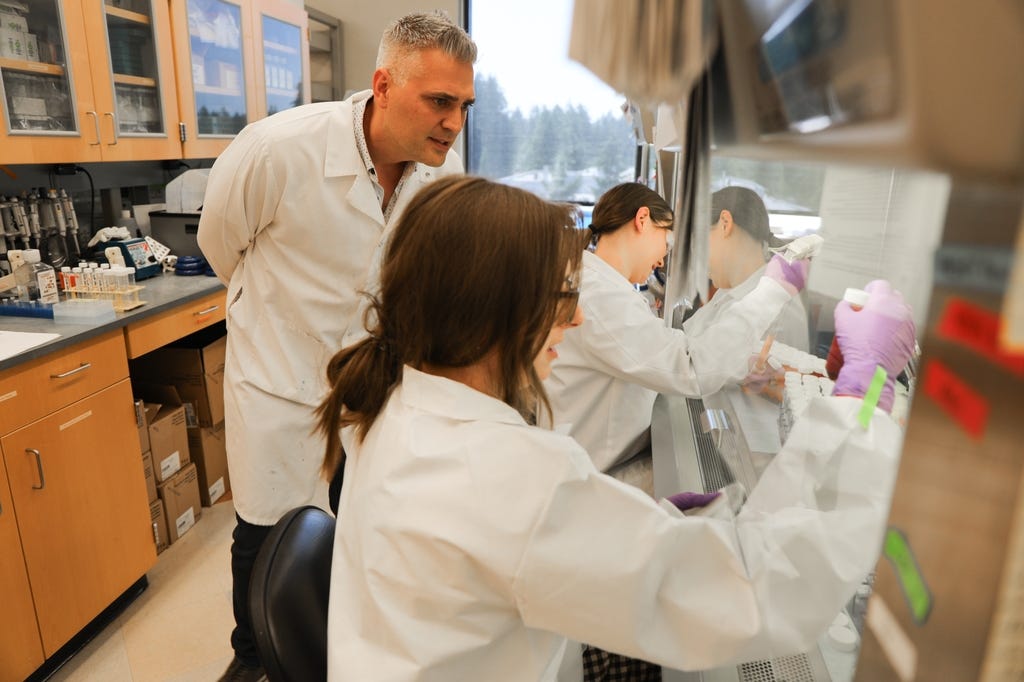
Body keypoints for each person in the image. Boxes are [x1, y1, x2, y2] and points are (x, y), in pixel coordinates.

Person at [316, 174, 916, 681]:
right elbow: (753, 591)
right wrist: (861, 404)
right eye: (559, 295)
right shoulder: (508, 479)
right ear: (491, 310)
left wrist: (638, 528)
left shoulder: (398, 405)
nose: (576, 318)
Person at [197, 12, 476, 681]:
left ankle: (334, 648)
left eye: (464, 105)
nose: (454, 122)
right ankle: (255, 662)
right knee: (267, 535)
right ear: (383, 85)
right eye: (439, 101)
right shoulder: (278, 149)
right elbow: (219, 246)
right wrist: (285, 325)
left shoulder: (440, 175)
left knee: (355, 523)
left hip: (368, 389)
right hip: (281, 384)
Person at [544, 182, 808, 479]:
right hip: (590, 470)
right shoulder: (600, 296)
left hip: (595, 456)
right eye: (667, 242)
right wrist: (772, 292)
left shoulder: (603, 286)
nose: (662, 259)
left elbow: (675, 347)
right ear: (642, 220)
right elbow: (690, 368)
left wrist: (743, 368)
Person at [684, 186, 810, 351]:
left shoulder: (774, 310)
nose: (697, 258)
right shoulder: (731, 288)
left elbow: (703, 366)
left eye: (698, 241)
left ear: (725, 224)